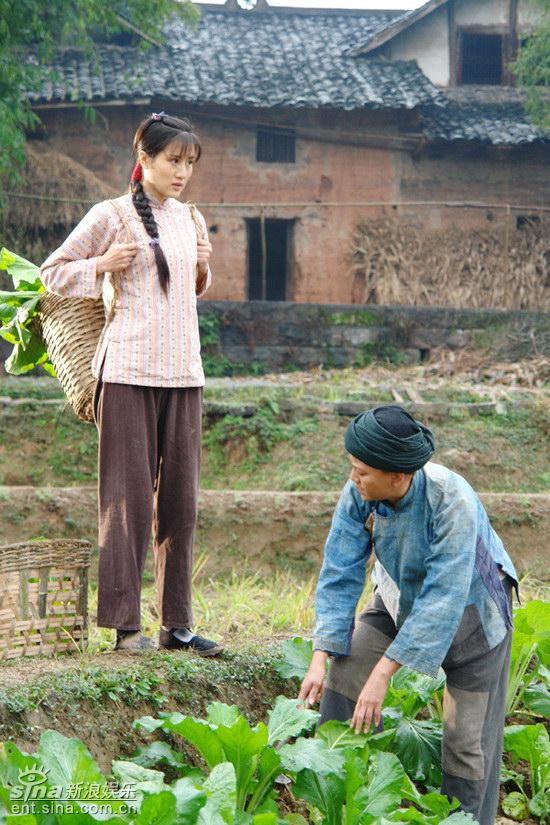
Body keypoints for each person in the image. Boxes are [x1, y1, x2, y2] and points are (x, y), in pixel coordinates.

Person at [41, 112, 223, 656]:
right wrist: (101, 263)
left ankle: (177, 625)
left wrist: (203, 265)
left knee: (181, 505)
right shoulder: (112, 214)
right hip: (126, 373)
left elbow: (189, 290)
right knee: (127, 502)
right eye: (173, 160)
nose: (183, 172)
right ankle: (125, 627)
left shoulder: (191, 218)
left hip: (184, 374)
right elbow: (52, 273)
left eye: (190, 163)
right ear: (144, 159)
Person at [299, 405, 518, 825]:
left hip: (474, 615)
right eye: (353, 467)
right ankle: (333, 804)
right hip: (397, 596)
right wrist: (319, 655)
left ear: (398, 477)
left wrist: (384, 674)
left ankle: (465, 820)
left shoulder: (451, 500)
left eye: (362, 471)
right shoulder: (360, 492)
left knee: (466, 742)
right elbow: (340, 570)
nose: (353, 478)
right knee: (346, 675)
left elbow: (442, 597)